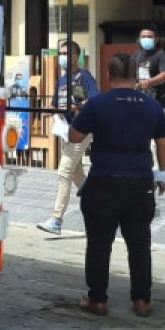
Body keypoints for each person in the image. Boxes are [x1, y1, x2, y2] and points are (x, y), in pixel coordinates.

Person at [69, 52, 165, 318]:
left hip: (103, 180)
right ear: (136, 75)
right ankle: (141, 301)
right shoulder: (152, 107)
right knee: (139, 244)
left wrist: (82, 118)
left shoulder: (96, 104)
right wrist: (163, 175)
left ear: (109, 75)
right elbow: (164, 144)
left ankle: (98, 300)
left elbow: (74, 135)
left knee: (99, 244)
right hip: (140, 182)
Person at [37, 40, 100, 234]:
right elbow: (57, 103)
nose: (62, 57)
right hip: (66, 130)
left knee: (63, 171)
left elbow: (95, 98)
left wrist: (77, 107)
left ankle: (56, 220)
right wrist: (51, 110)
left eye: (66, 53)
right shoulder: (61, 80)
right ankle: (100, 201)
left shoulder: (84, 76)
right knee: (75, 172)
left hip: (81, 130)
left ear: (75, 56)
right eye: (61, 54)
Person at [129, 25, 165, 101]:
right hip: (140, 96)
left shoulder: (161, 54)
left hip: (158, 98)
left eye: (149, 37)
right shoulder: (136, 54)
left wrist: (149, 82)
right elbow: (129, 71)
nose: (146, 39)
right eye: (143, 37)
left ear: (156, 39)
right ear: (139, 39)